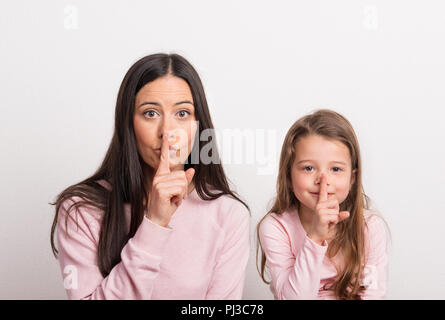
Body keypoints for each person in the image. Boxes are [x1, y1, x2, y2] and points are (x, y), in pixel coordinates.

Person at [50, 53, 250, 300]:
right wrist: (154, 223)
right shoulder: (81, 210)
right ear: (128, 124)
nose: (167, 132)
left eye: (183, 113)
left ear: (198, 124)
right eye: (150, 113)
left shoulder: (228, 215)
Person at [257, 109, 389, 300]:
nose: (323, 180)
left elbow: (373, 294)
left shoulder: (369, 227)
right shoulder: (276, 227)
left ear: (352, 178)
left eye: (336, 169)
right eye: (308, 168)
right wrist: (316, 237)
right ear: (288, 176)